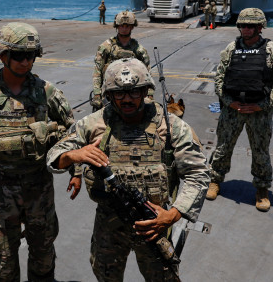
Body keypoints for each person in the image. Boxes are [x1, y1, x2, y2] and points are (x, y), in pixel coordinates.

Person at [47, 58, 210, 281]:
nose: (127, 99)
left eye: (134, 92)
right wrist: (72, 155)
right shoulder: (94, 124)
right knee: (106, 275)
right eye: (119, 93)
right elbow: (53, 157)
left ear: (145, 91)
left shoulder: (169, 126)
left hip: (153, 223)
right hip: (109, 224)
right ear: (109, 95)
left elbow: (198, 173)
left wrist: (173, 215)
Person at [0, 22, 77, 282]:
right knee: (4, 262)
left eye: (31, 56)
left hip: (39, 186)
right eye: (19, 56)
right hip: (0, 189)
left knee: (43, 255)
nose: (25, 62)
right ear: (3, 56)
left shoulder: (46, 92)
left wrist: (76, 171)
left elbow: (72, 132)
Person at [206, 8, 273, 212]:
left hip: (259, 111)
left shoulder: (272, 50)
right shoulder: (231, 48)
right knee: (223, 147)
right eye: (242, 25)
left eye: (250, 26)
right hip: (232, 109)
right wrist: (228, 101)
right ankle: (215, 180)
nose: (245, 29)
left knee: (260, 151)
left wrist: (263, 105)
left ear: (260, 27)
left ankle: (262, 189)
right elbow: (219, 77)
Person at [91, 10, 150, 110]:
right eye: (121, 26)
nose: (124, 29)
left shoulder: (139, 49)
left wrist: (149, 94)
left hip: (132, 92)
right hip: (111, 92)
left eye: (127, 26)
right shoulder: (106, 47)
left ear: (132, 27)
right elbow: (97, 71)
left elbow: (147, 72)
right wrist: (97, 94)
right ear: (117, 27)